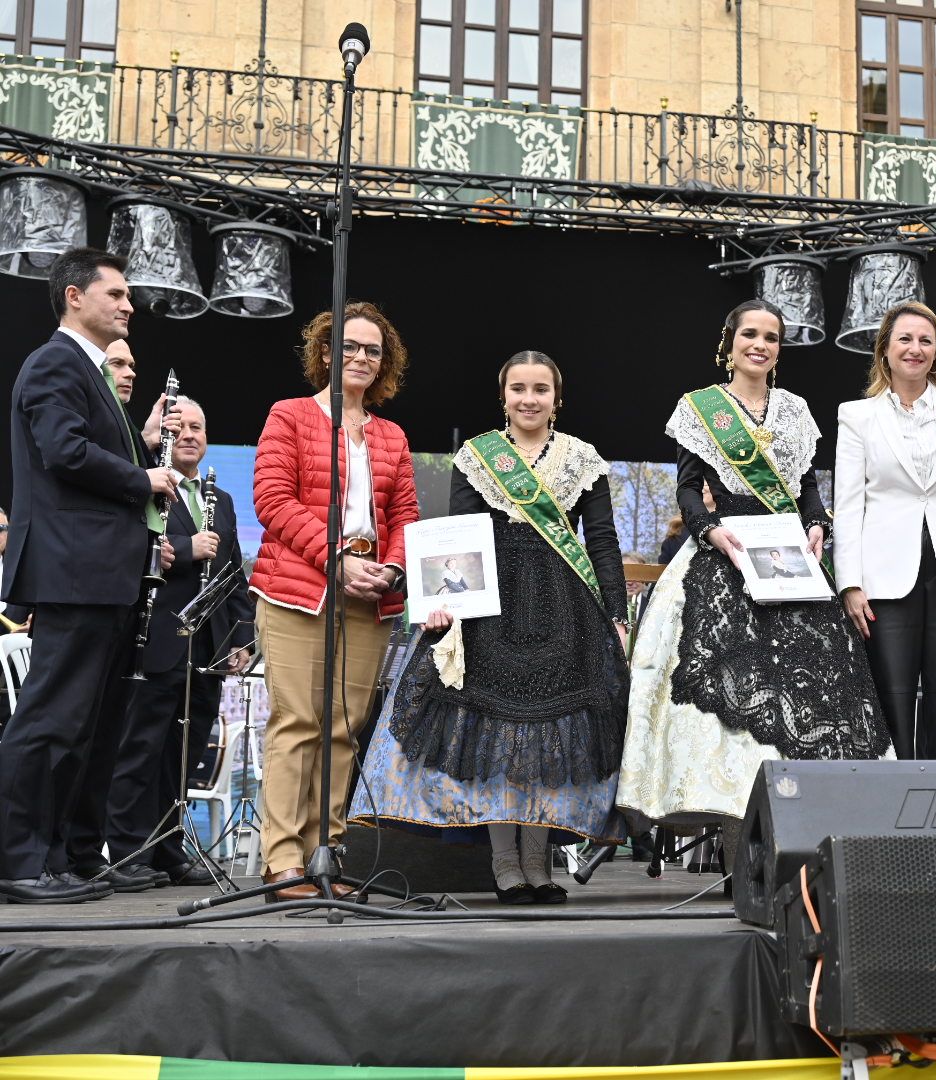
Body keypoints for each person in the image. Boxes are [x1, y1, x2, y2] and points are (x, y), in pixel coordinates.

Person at [352, 351, 628, 904]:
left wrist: (616, 615)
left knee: (551, 742)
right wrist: (439, 604)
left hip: (564, 611)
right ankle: (505, 863)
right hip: (490, 610)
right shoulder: (479, 456)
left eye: (541, 389)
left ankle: (538, 861)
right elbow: (455, 534)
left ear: (557, 396)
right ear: (503, 396)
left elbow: (599, 541)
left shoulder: (584, 459)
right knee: (500, 739)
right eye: (519, 388)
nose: (530, 399)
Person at [619, 299, 889, 840]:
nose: (760, 344)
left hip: (790, 559)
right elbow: (686, 486)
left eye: (771, 337)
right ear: (730, 342)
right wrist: (710, 531)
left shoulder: (795, 410)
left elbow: (808, 487)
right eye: (750, 334)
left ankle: (803, 828)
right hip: (728, 554)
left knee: (812, 682)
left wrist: (817, 524)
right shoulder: (700, 409)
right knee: (732, 680)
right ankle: (735, 835)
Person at [0, 247, 179, 904]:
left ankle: (68, 857)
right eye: (117, 293)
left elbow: (88, 454)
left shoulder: (93, 375)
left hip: (104, 574)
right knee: (53, 718)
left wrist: (142, 457)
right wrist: (144, 477)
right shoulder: (54, 362)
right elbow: (63, 451)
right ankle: (19, 862)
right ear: (74, 296)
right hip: (73, 570)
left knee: (93, 726)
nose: (129, 305)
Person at [250, 301, 419, 902]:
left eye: (372, 350)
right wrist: (336, 560)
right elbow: (271, 499)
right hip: (300, 591)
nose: (360, 357)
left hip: (367, 598)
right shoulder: (290, 416)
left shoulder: (391, 435)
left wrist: (393, 566)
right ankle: (283, 864)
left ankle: (327, 854)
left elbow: (403, 516)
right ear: (324, 353)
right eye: (348, 346)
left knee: (344, 732)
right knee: (298, 723)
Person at [835, 301, 936, 761]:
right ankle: (892, 824)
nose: (915, 348)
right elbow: (847, 506)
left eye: (925, 340)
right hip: (884, 579)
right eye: (905, 339)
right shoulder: (857, 415)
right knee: (892, 705)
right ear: (884, 350)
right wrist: (849, 582)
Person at [104, 396, 257, 887]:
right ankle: (129, 852)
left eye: (199, 425)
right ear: (166, 436)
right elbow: (125, 559)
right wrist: (186, 551)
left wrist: (241, 638)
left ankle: (168, 849)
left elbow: (234, 576)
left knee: (185, 752)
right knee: (141, 749)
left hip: (208, 646)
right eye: (181, 426)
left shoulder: (224, 501)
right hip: (155, 641)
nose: (190, 434)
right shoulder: (143, 489)